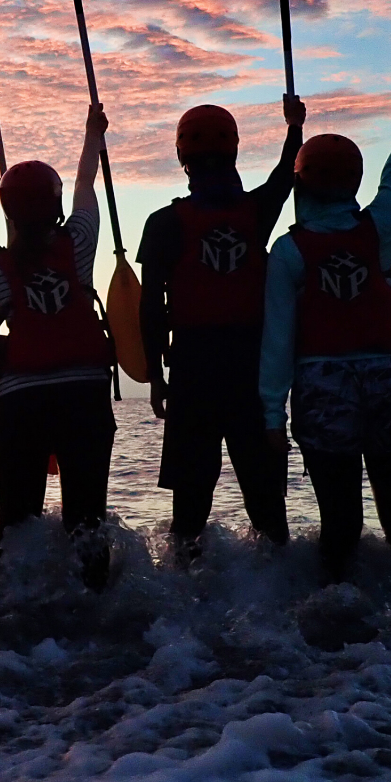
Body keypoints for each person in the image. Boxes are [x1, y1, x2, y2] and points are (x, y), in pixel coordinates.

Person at [137, 96, 304, 562]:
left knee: (190, 504)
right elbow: (286, 177)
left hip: (193, 368)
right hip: (252, 367)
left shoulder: (164, 222)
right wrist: (294, 127)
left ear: (182, 157)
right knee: (266, 499)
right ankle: (283, 586)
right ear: (233, 150)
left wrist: (155, 377)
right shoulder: (256, 212)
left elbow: (150, 308)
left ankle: (185, 591)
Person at [260, 110, 391, 582]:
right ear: (354, 180)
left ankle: (337, 609)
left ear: (300, 184)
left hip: (324, 388)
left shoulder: (288, 252)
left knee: (340, 522)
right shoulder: (381, 227)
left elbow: (278, 340)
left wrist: (272, 416)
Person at [0, 106, 114, 590]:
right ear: (52, 205)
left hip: (22, 402)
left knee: (17, 518)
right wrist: (91, 135)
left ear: (8, 210)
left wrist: (25, 339)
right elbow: (84, 189)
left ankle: (9, 601)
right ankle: (95, 602)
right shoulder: (79, 242)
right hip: (86, 397)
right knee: (87, 517)